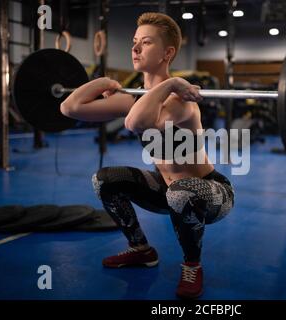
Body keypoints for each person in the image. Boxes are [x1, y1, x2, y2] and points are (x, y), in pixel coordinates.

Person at [60, 12, 234, 299]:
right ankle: (141, 250)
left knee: (181, 192)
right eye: (134, 42)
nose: (135, 48)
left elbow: (134, 122)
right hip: (165, 189)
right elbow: (70, 108)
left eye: (146, 42)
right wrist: (102, 81)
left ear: (168, 53)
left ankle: (192, 265)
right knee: (104, 180)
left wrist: (168, 84)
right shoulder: (136, 97)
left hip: (210, 193)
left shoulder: (181, 101)